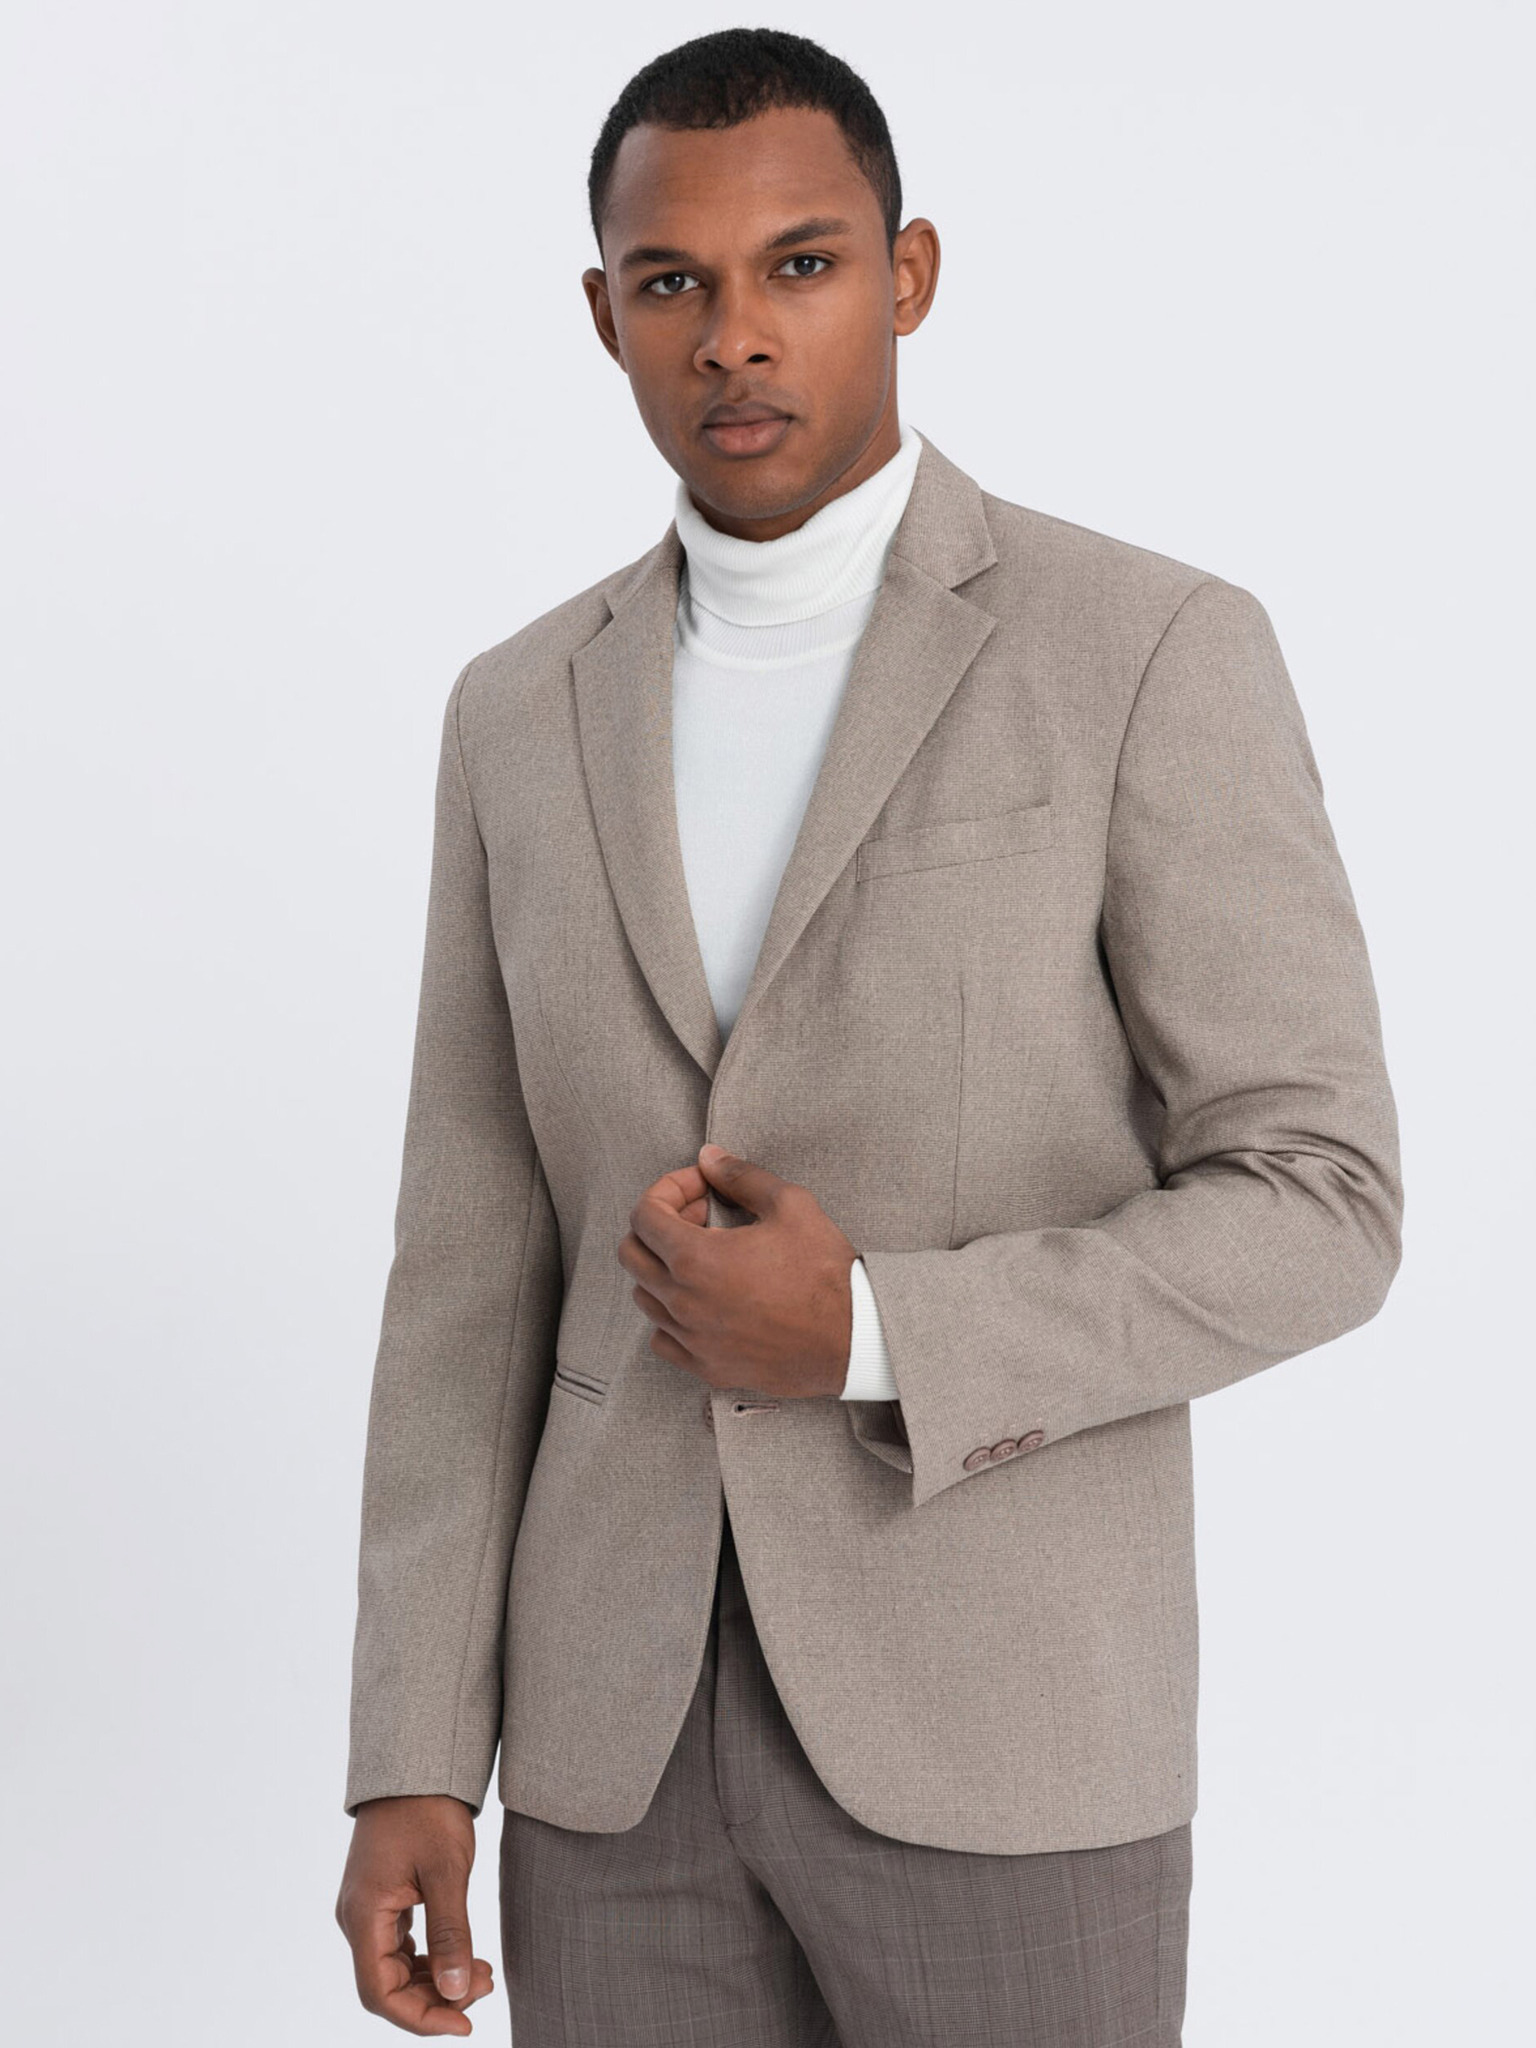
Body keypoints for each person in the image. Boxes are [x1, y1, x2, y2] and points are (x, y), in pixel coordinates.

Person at [334, 27, 1403, 2045]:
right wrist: (412, 1748)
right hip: (610, 1758)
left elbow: (1323, 1202)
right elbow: (468, 1267)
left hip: (1007, 1728)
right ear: (605, 315)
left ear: (907, 275)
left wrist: (877, 1333)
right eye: (674, 282)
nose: (735, 335)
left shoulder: (1147, 650)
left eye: (801, 266)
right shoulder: (514, 713)